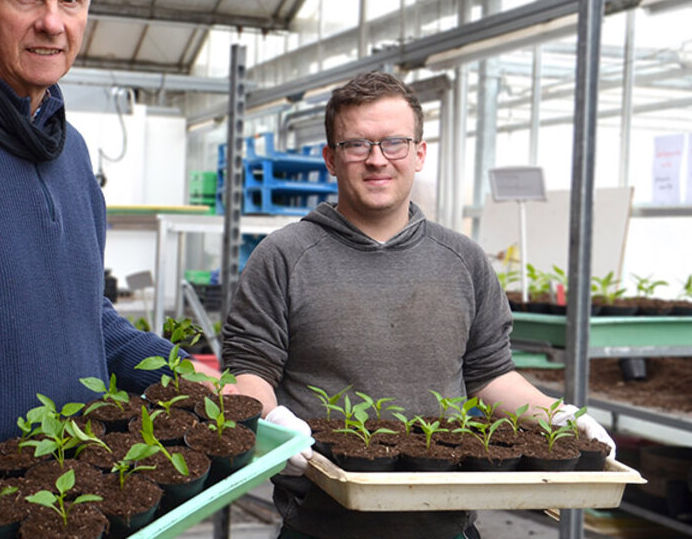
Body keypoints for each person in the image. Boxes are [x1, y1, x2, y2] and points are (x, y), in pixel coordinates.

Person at [0, 0, 219, 537]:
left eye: (71, 0)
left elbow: (82, 310)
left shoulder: (69, 151)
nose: (52, 21)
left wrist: (184, 374)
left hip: (71, 496)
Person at [221, 70, 616, 539]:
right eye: (356, 145)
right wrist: (271, 421)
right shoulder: (283, 257)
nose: (376, 160)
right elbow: (249, 373)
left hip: (446, 521)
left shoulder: (462, 260)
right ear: (330, 158)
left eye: (394, 143)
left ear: (419, 153)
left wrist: (561, 417)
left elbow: (490, 375)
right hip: (321, 525)